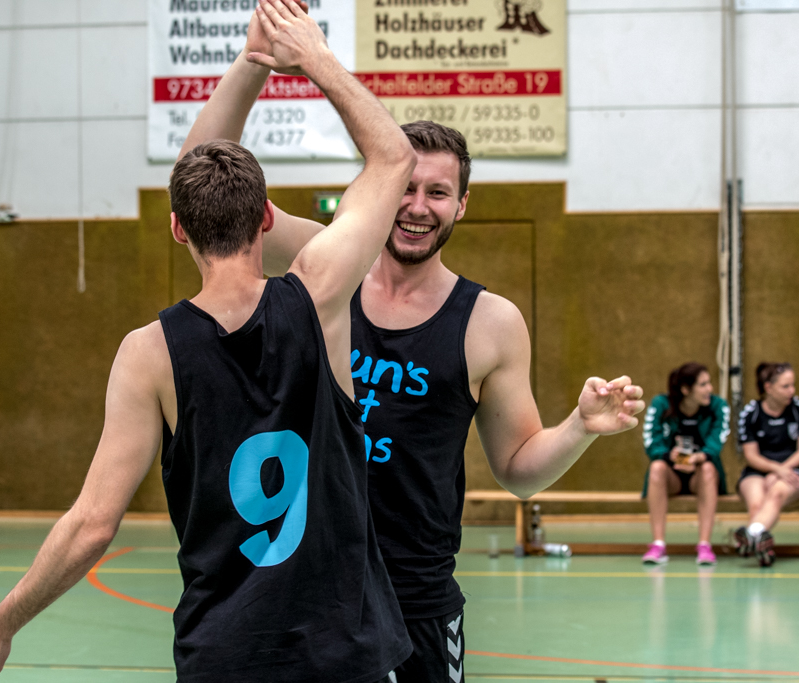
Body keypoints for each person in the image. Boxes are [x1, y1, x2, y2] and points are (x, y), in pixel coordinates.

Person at [0, 3, 417, 681]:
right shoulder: (319, 294)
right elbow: (393, 155)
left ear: (177, 229)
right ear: (265, 219)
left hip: (226, 655)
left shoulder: (149, 353)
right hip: (343, 652)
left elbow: (93, 523)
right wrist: (312, 57)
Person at [181, 9, 646, 680]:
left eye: (438, 192)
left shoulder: (489, 322)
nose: (417, 206)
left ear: (462, 205)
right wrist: (253, 61)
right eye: (405, 186)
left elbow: (518, 468)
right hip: (313, 589)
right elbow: (202, 179)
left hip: (417, 602)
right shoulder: (325, 266)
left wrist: (578, 427)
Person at [640, 363, 730, 565]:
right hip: (672, 475)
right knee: (656, 468)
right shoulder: (661, 404)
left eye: (709, 383)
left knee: (708, 469)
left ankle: (704, 546)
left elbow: (716, 443)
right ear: (686, 389)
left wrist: (697, 458)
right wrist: (670, 456)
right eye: (703, 384)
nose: (709, 389)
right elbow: (651, 442)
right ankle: (658, 545)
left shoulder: (718, 406)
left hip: (700, 475)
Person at [735, 362, 799, 567]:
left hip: (794, 469)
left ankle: (750, 535)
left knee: (776, 493)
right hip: (757, 471)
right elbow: (751, 455)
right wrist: (775, 469)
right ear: (768, 388)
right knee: (756, 503)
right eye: (785, 386)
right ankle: (762, 546)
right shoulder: (750, 413)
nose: (792, 391)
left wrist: (782, 470)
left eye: (792, 385)